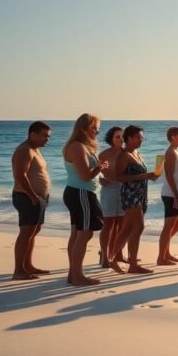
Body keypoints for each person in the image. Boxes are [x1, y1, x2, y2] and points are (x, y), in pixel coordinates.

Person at [61, 114, 108, 286]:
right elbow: (85, 175)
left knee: (77, 233)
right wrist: (99, 167)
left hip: (79, 192)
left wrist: (99, 172)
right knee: (85, 233)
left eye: (98, 129)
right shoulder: (78, 147)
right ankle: (77, 275)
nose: (97, 132)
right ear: (83, 128)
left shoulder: (81, 147)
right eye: (94, 128)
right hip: (81, 193)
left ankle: (73, 274)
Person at [112, 125, 158, 274]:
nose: (141, 140)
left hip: (140, 194)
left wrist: (152, 176)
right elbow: (118, 176)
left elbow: (141, 175)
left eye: (142, 138)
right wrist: (144, 176)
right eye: (139, 137)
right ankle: (132, 264)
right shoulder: (124, 155)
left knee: (127, 229)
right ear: (129, 138)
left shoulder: (137, 153)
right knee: (138, 227)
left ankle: (110, 258)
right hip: (130, 195)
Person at [10, 121, 52, 280]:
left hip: (38, 197)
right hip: (26, 197)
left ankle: (28, 265)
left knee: (34, 231)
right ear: (32, 134)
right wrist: (33, 196)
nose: (47, 139)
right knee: (26, 232)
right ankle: (18, 270)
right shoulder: (24, 150)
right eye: (44, 136)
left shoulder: (35, 150)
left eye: (48, 136)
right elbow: (20, 176)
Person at [97, 126, 127, 268]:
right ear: (111, 139)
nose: (121, 139)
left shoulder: (128, 153)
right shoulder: (104, 154)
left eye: (122, 136)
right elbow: (94, 172)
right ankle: (104, 255)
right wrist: (100, 179)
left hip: (125, 190)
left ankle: (118, 254)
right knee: (108, 224)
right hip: (109, 189)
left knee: (122, 225)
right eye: (117, 137)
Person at [158, 126, 178, 266]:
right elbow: (169, 175)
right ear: (173, 137)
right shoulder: (170, 152)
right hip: (171, 194)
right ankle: (161, 257)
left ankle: (166, 252)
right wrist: (176, 195)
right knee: (168, 226)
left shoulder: (176, 152)